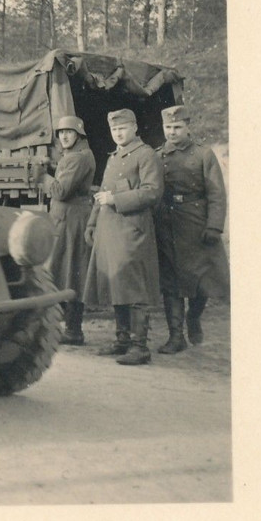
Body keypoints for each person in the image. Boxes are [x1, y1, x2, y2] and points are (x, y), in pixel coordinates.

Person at [82, 109, 164, 365]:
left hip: (132, 230)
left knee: (134, 287)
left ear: (135, 128)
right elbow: (102, 194)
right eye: (114, 129)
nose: (118, 133)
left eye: (123, 128)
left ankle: (140, 346)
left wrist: (115, 200)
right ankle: (122, 341)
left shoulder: (146, 155)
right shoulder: (113, 157)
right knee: (117, 283)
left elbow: (152, 192)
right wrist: (92, 224)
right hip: (109, 229)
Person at [154, 105, 230, 353]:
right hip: (167, 224)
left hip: (196, 224)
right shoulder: (158, 156)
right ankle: (176, 337)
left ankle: (193, 317)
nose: (172, 132)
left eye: (177, 127)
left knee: (202, 281)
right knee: (171, 282)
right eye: (168, 127)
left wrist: (214, 226)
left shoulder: (203, 155)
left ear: (188, 127)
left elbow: (217, 194)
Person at [41, 115, 96, 345]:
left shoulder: (77, 158)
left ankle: (73, 329)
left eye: (69, 132)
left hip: (71, 220)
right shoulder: (77, 155)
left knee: (72, 271)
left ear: (79, 135)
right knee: (69, 270)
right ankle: (71, 327)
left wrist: (42, 176)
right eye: (61, 133)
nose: (64, 136)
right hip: (68, 219)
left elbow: (61, 191)